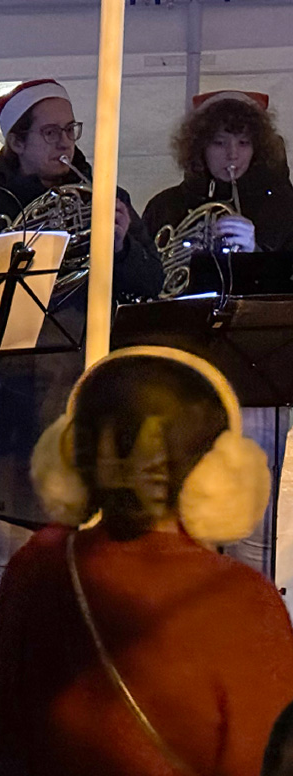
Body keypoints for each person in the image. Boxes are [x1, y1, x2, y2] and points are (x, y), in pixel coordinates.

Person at [0, 345, 293, 776]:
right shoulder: (241, 598)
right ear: (217, 469)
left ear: (72, 453)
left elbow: (11, 734)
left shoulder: (37, 564)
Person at [0, 78, 163, 656]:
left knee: (87, 544)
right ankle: (1, 675)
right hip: (9, 393)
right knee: (2, 551)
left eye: (71, 129)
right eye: (50, 132)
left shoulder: (107, 195)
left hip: (87, 388)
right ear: (17, 141)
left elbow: (147, 287)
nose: (65, 143)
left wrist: (125, 245)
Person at [142, 89, 293, 575]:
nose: (232, 156)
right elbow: (148, 290)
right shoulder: (166, 207)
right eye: (221, 143)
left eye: (244, 143)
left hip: (259, 376)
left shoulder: (285, 207)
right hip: (186, 376)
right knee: (189, 518)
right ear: (199, 148)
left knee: (252, 525)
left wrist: (260, 253)